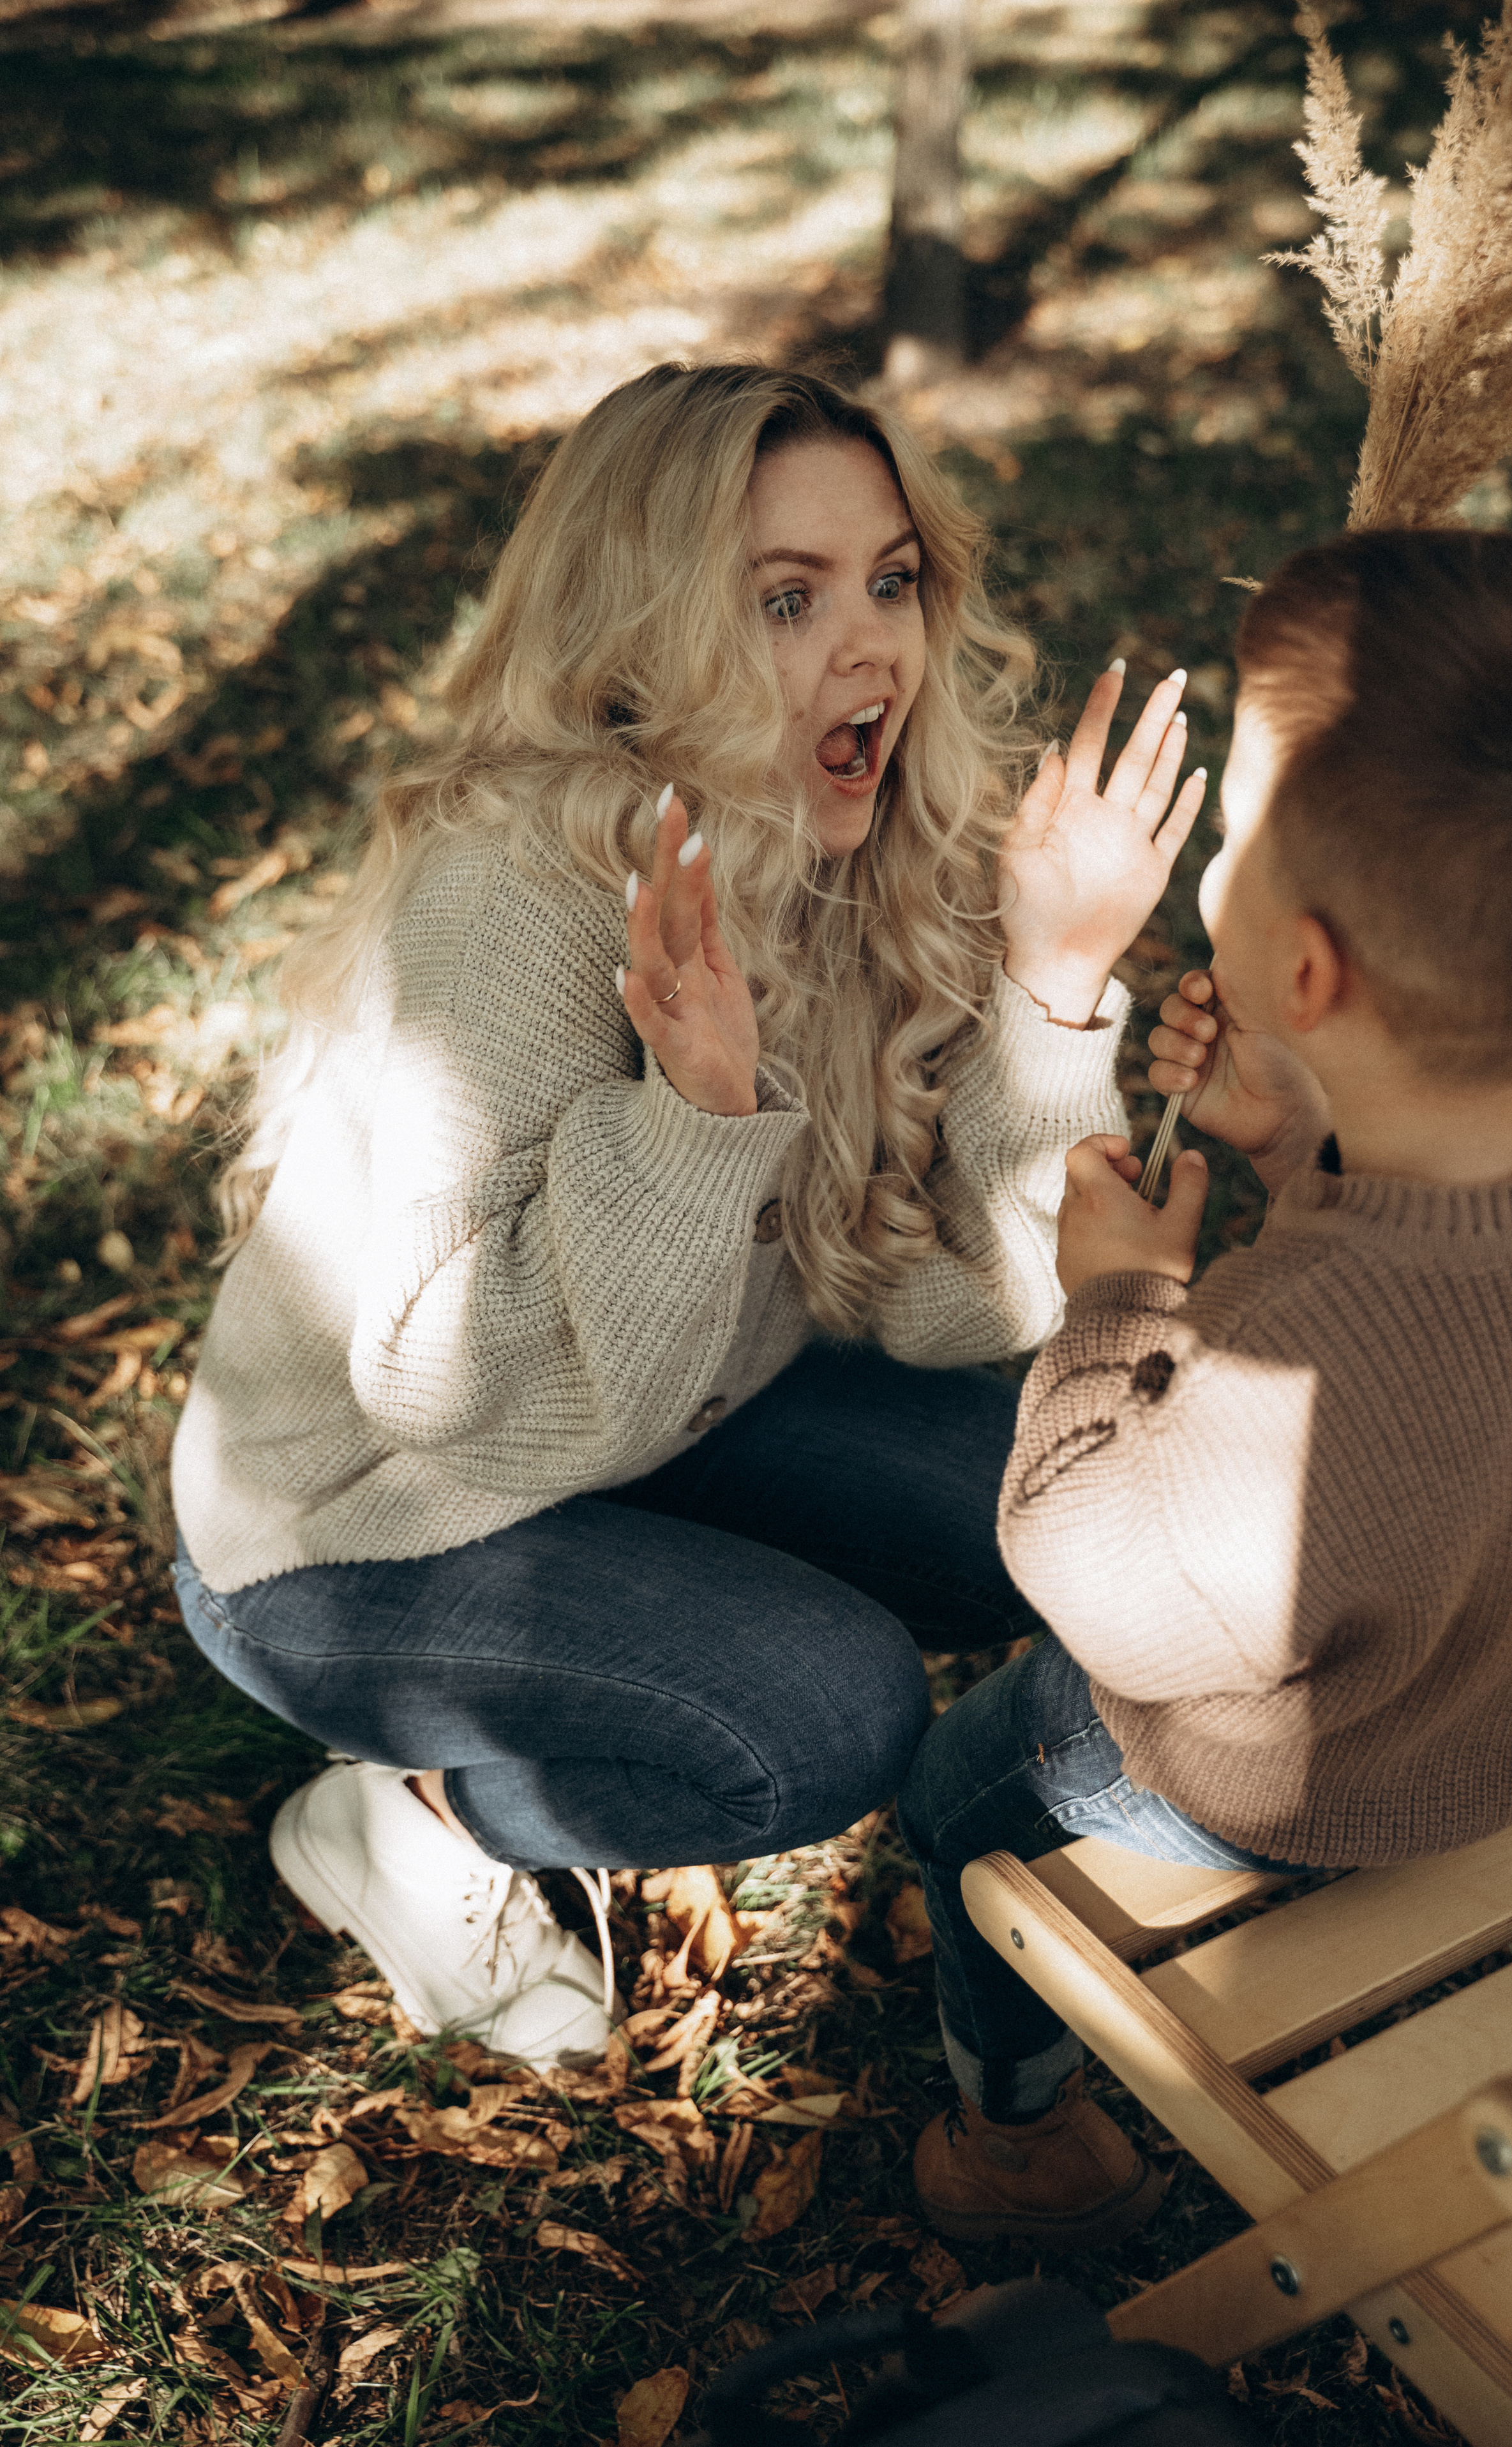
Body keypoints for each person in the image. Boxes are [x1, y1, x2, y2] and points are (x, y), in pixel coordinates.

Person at [170, 361, 1207, 2071]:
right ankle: (412, 1819)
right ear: (648, 639)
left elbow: (962, 1308)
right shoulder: (519, 889)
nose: (870, 645)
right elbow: (448, 1384)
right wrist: (693, 1119)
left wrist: (1058, 984)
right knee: (824, 1718)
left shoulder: (858, 846)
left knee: (1034, 1497)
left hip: (662, 1412)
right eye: (784, 599)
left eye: (891, 580)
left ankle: (642, 1620)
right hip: (365, 1512)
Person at [903, 527, 1512, 2249]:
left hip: (1298, 1784)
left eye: (1231, 837)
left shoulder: (1274, 1375)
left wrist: (1117, 1300)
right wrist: (1310, 1147)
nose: (1213, 860)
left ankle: (1023, 2143)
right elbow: (1482, 1333)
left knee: (962, 1794)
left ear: (1307, 972)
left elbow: (1087, 1560)